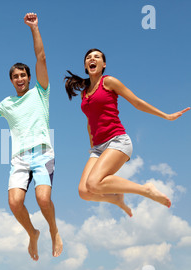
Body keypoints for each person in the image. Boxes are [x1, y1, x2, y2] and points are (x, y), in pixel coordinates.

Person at [0, 13, 63, 261]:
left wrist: (34, 28)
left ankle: (53, 228)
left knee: (42, 198)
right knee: (15, 203)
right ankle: (33, 233)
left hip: (41, 153)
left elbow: (41, 57)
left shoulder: (40, 93)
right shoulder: (8, 103)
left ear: (29, 78)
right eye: (15, 76)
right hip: (19, 158)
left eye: (23, 75)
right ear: (11, 80)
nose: (20, 79)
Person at [64, 48, 190, 217]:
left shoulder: (109, 82)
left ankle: (145, 189)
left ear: (103, 64)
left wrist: (166, 116)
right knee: (84, 192)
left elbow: (137, 102)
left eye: (97, 57)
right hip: (98, 147)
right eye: (88, 58)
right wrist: (92, 145)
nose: (92, 59)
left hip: (117, 141)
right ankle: (116, 199)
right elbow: (89, 121)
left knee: (94, 183)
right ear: (86, 66)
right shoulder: (85, 94)